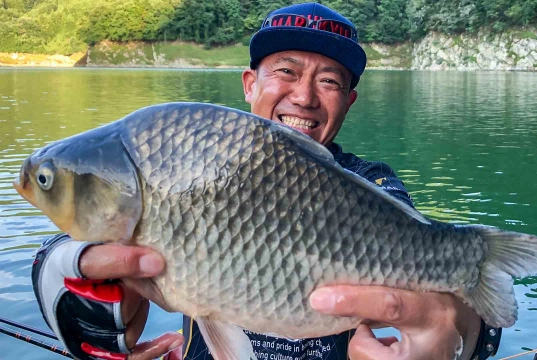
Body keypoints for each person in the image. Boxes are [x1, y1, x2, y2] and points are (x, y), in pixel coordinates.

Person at [30, 3, 502, 360]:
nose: (303, 96)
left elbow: (442, 284)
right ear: (249, 84)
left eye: (329, 82)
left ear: (349, 101)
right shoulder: (185, 160)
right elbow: (72, 250)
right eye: (285, 72)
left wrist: (461, 333)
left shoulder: (369, 183)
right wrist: (65, 275)